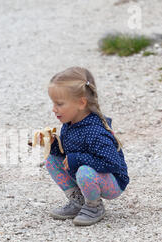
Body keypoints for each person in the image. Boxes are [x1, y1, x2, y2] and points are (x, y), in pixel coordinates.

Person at [45, 66, 129, 226]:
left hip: (112, 181)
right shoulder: (70, 124)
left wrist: (77, 159)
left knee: (84, 172)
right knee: (51, 160)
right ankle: (78, 201)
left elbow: (112, 164)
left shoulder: (95, 132)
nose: (54, 109)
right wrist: (53, 144)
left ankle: (94, 206)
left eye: (59, 104)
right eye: (53, 103)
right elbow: (66, 154)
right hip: (88, 172)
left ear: (81, 103)